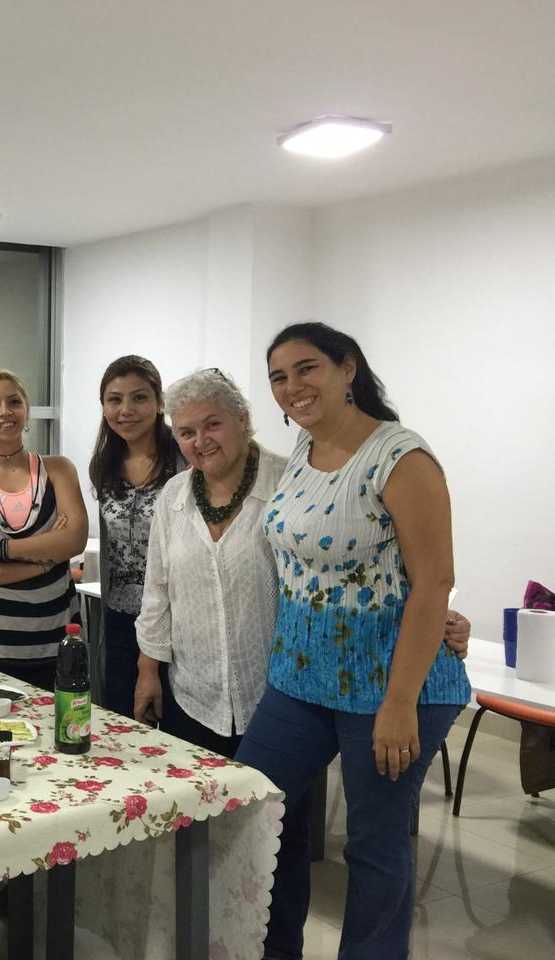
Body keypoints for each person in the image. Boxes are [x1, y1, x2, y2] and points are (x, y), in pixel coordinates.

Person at [235, 322, 471, 960]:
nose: (292, 386)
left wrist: (399, 703)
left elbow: (434, 581)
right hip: (300, 678)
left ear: (347, 369)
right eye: (278, 377)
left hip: (388, 685)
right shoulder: (303, 453)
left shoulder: (399, 456)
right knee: (254, 808)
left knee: (373, 843)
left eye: (306, 368)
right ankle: (271, 949)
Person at [132, 369, 284, 757]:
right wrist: (148, 672)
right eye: (187, 432)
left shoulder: (287, 484)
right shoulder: (173, 496)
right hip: (190, 696)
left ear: (242, 419)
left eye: (212, 424)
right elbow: (157, 592)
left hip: (277, 699)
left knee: (273, 797)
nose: (201, 441)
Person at [0, 369, 87, 690]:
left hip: (58, 638)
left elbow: (74, 539)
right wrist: (46, 559)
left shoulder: (58, 470)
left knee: (60, 722)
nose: (5, 411)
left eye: (14, 402)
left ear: (26, 409)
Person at [88, 356, 183, 718]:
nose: (126, 410)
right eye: (114, 399)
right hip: (120, 619)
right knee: (121, 724)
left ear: (159, 403)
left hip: (177, 621)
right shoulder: (104, 464)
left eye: (139, 398)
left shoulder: (185, 461)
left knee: (177, 730)